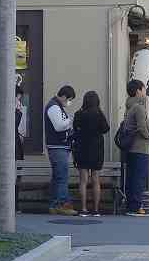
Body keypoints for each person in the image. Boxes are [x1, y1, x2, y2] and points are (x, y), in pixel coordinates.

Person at [72, 90, 110, 217]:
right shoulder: (99, 114)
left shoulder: (79, 114)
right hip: (96, 149)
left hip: (82, 149)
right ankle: (96, 209)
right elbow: (106, 129)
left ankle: (83, 209)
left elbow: (75, 128)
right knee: (95, 180)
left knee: (83, 180)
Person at [121, 79, 149, 215]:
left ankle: (131, 205)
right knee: (139, 178)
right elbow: (142, 127)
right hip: (140, 147)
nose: (145, 92)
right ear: (138, 91)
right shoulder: (139, 108)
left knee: (132, 177)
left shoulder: (129, 107)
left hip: (130, 148)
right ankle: (136, 206)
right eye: (144, 89)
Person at [44, 84, 76, 215]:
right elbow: (58, 126)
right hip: (58, 147)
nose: (69, 103)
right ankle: (62, 204)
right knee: (62, 176)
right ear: (63, 96)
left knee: (57, 177)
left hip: (58, 146)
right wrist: (70, 120)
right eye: (69, 99)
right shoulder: (54, 107)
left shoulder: (56, 106)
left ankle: (54, 204)